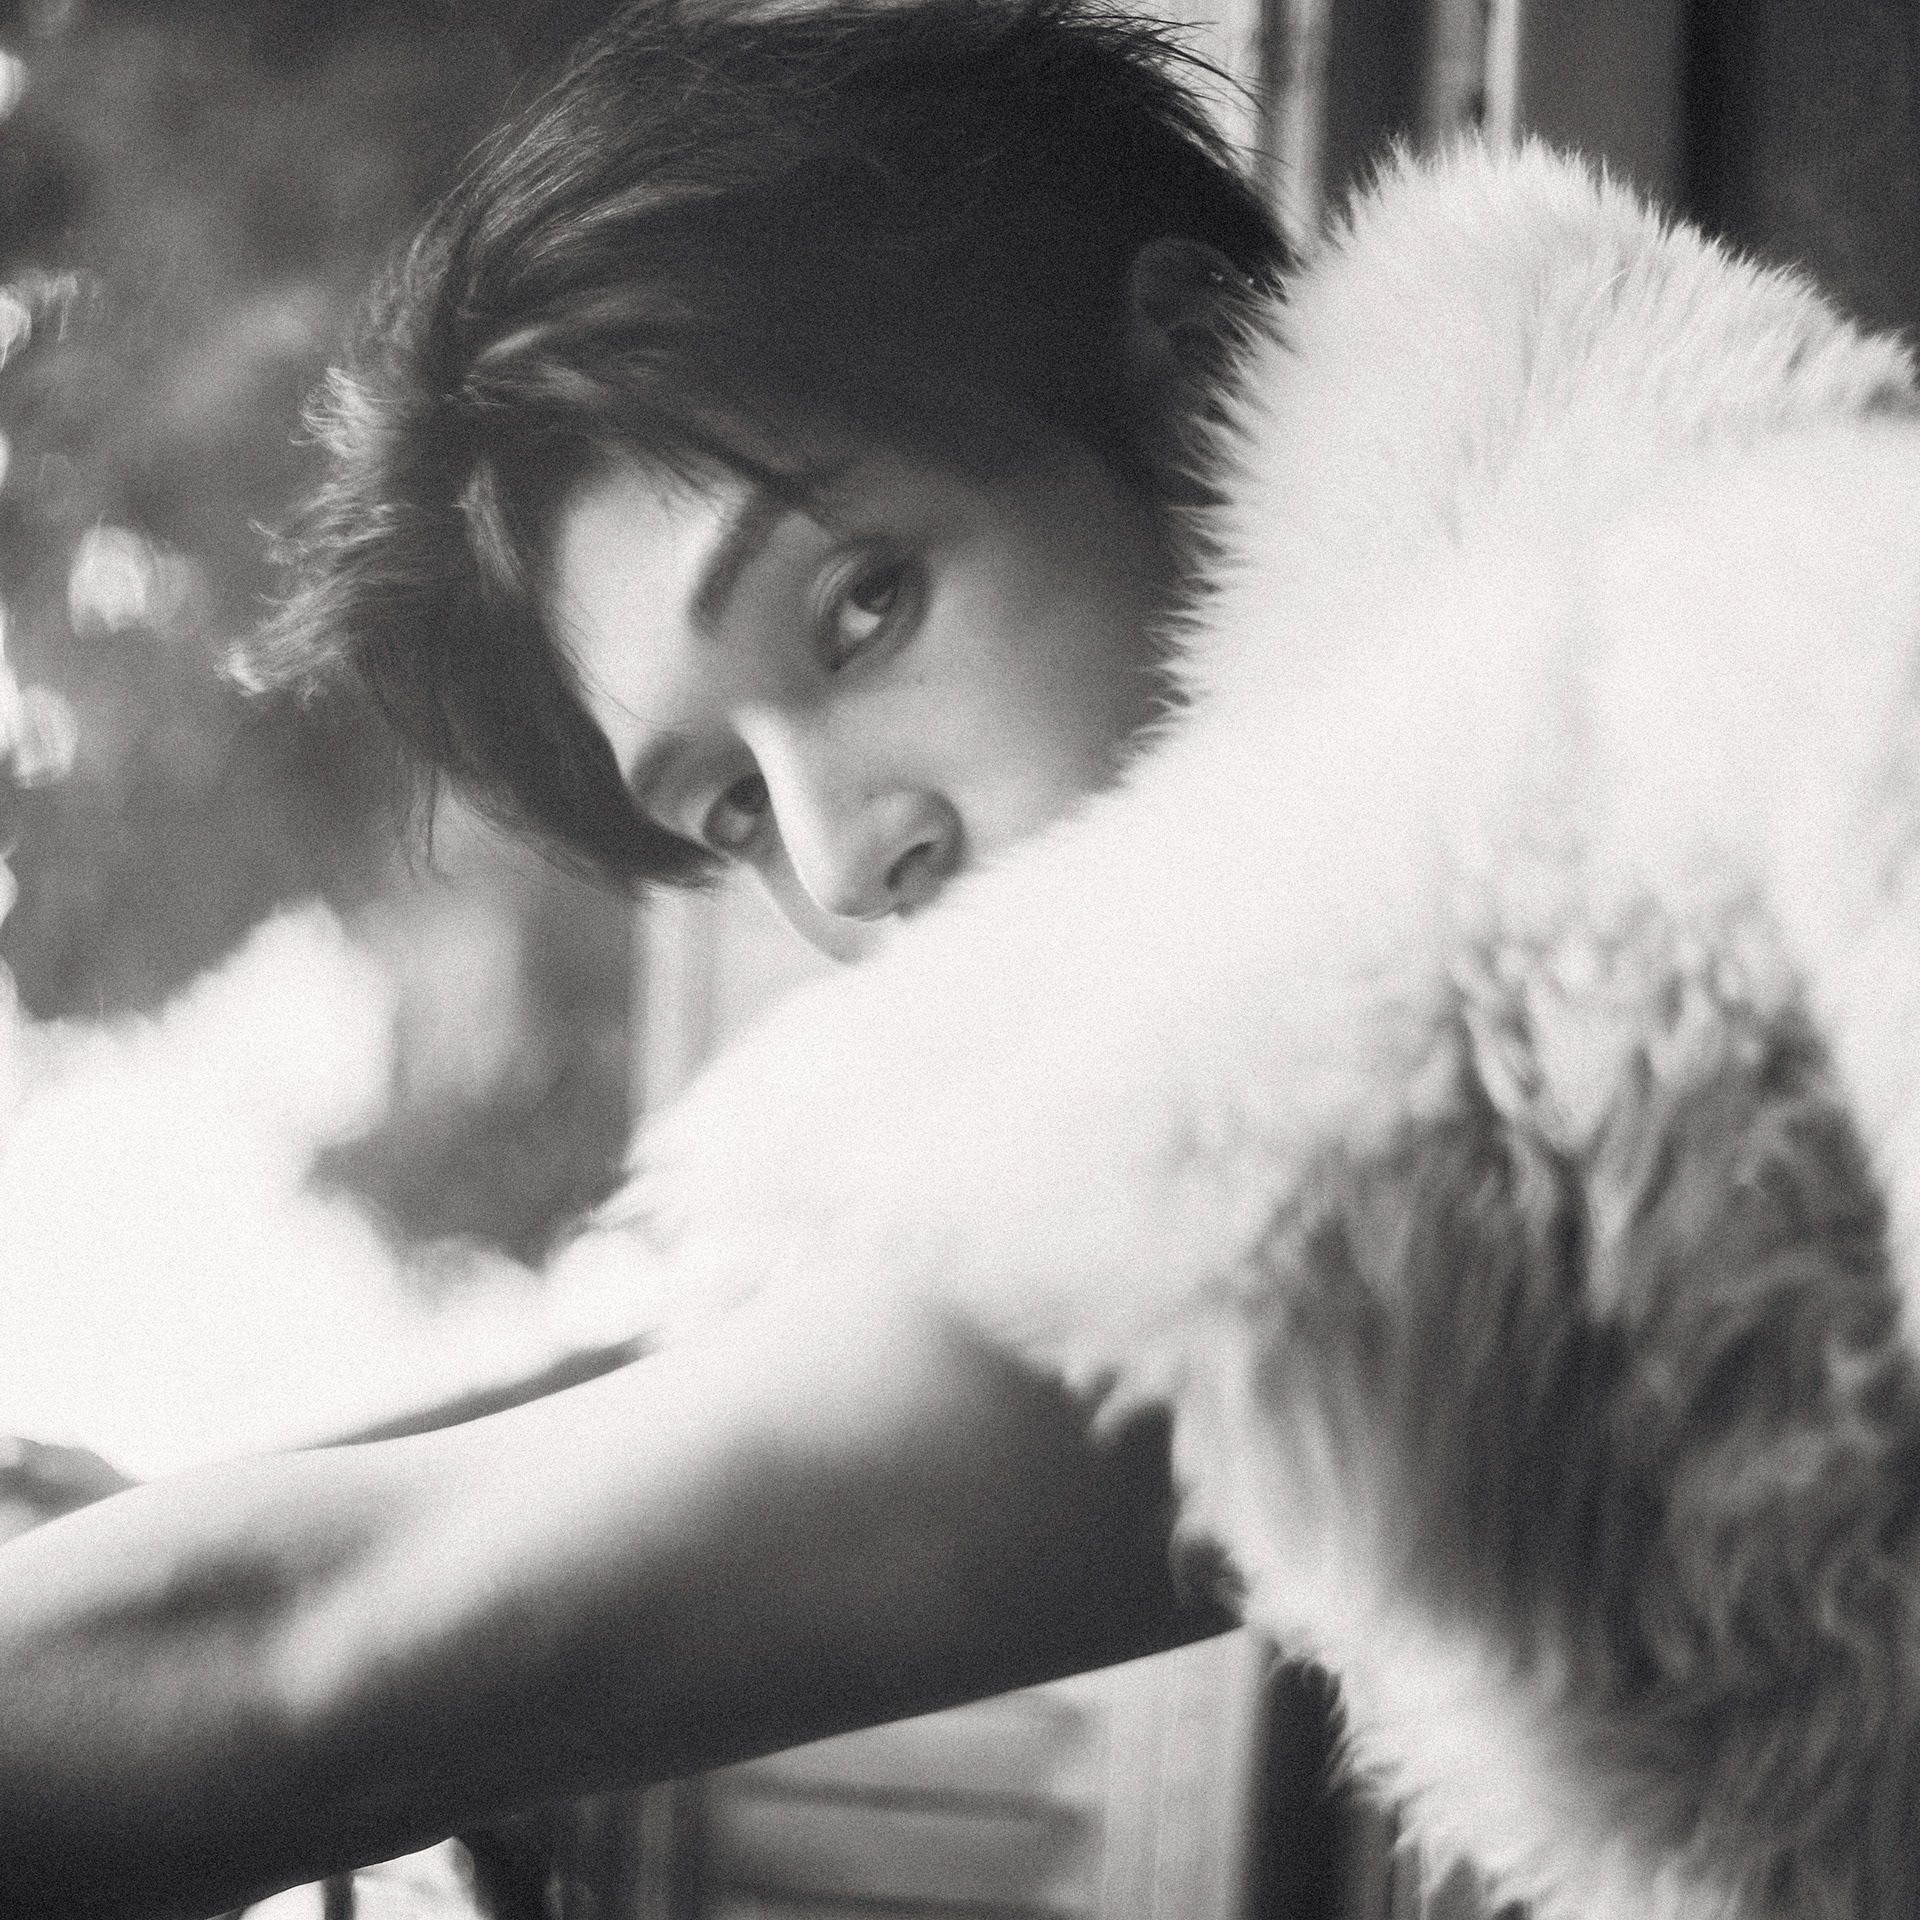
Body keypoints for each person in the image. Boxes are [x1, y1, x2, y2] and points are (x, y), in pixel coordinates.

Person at [0, 4, 1289, 1912]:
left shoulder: (1452, 1035)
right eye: (735, 807)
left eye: (863, 605)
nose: (843, 860)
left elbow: (298, 1655)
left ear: (1206, 375)